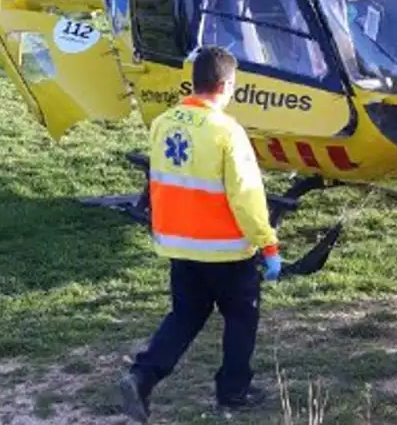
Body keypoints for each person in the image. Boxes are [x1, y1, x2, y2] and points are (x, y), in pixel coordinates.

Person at [118, 46, 281, 424]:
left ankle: (143, 375)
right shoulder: (227, 131)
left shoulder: (164, 122)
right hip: (226, 249)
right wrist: (268, 244)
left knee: (186, 314)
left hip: (179, 244)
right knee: (242, 318)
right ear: (226, 85)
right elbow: (247, 196)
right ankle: (233, 390)